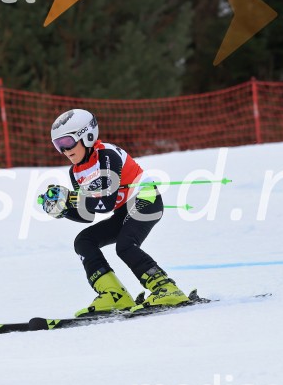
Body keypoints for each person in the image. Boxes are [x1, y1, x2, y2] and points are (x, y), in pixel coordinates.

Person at [38, 108, 190, 317]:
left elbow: (106, 202)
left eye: (67, 142)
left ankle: (166, 288)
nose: (64, 150)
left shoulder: (106, 155)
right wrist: (63, 210)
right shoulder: (76, 172)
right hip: (123, 211)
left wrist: (72, 199)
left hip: (146, 200)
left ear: (87, 136)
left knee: (125, 246)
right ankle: (114, 294)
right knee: (84, 241)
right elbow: (87, 215)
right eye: (58, 146)